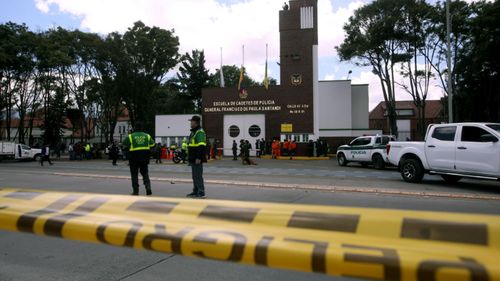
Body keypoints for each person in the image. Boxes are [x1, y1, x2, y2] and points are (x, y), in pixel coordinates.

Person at [122, 122, 155, 196]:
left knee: (134, 175)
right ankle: (148, 187)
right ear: (142, 128)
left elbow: (124, 145)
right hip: (144, 157)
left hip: (134, 158)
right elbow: (153, 145)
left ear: (134, 128)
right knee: (145, 173)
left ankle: (136, 191)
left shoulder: (131, 136)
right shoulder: (147, 136)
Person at [186, 116, 207, 198]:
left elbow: (201, 146)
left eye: (192, 121)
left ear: (196, 123)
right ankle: (195, 191)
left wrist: (198, 158)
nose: (190, 123)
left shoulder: (199, 132)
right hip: (193, 157)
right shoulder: (193, 132)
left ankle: (201, 192)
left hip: (197, 158)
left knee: (198, 175)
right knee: (194, 176)